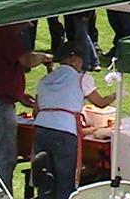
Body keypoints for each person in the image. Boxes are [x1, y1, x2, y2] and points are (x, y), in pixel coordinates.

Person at [0, 23, 52, 189]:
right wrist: (43, 57)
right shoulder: (5, 34)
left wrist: (18, 94)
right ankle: (2, 194)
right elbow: (27, 60)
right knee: (4, 158)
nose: (30, 24)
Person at [33, 41, 116, 199]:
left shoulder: (45, 79)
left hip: (41, 129)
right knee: (65, 180)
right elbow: (101, 103)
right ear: (73, 59)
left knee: (44, 179)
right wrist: (116, 94)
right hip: (65, 131)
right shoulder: (81, 78)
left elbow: (36, 111)